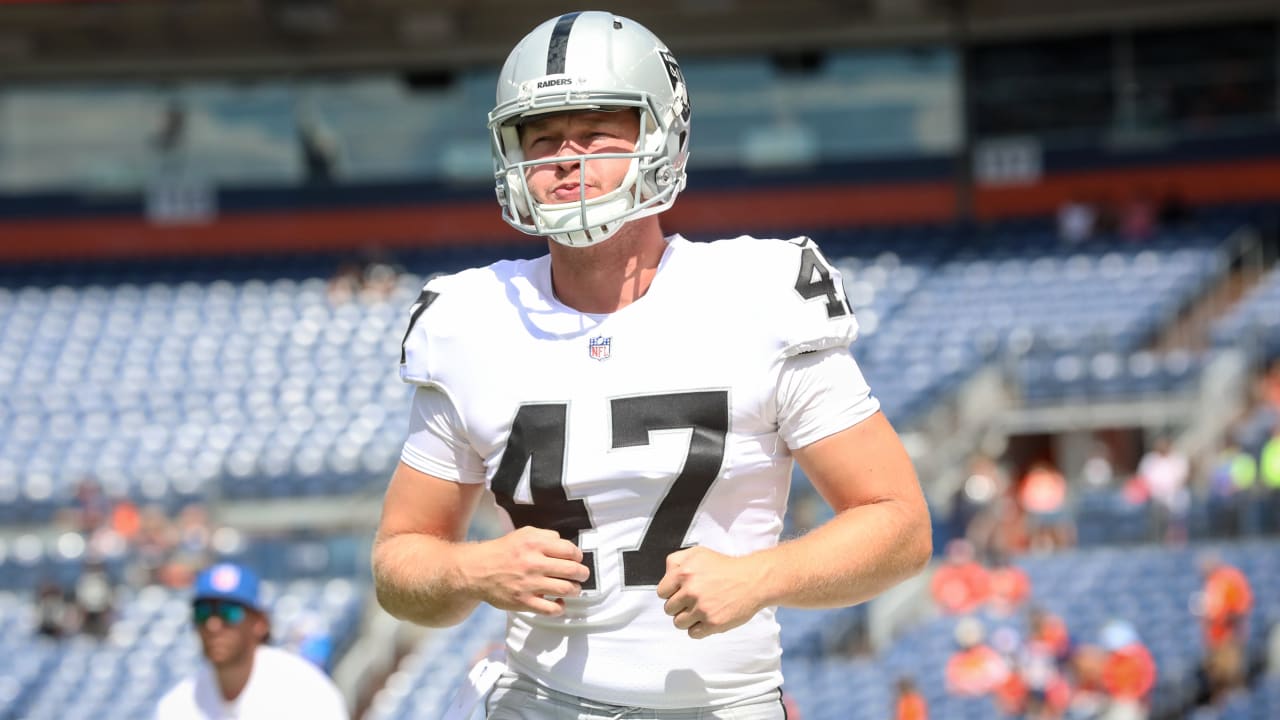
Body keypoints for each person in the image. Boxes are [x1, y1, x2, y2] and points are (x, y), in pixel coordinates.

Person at [370, 10, 932, 719]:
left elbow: (900, 525)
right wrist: (468, 568)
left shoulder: (760, 295)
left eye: (597, 134)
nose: (565, 159)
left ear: (663, 137)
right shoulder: (470, 319)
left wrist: (762, 576)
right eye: (541, 139)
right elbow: (399, 561)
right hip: (538, 701)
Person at [154, 562, 349, 720]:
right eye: (203, 612)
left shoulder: (304, 692)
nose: (213, 625)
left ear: (260, 623)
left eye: (229, 612)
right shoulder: (179, 703)